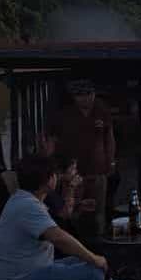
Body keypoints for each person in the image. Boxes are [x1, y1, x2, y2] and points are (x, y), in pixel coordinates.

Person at [0, 155, 108, 280]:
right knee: (93, 273)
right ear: (49, 180)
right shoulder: (27, 205)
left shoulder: (23, 200)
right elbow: (59, 238)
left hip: (31, 272)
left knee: (82, 262)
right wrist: (95, 259)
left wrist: (91, 258)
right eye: (55, 174)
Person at [49, 80, 115, 235]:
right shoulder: (64, 115)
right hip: (73, 174)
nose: (86, 98)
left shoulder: (101, 110)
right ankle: (75, 244)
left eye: (89, 94)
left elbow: (110, 138)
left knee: (98, 211)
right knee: (73, 212)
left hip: (98, 171)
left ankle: (99, 243)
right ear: (74, 97)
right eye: (81, 95)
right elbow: (52, 142)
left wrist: (111, 161)